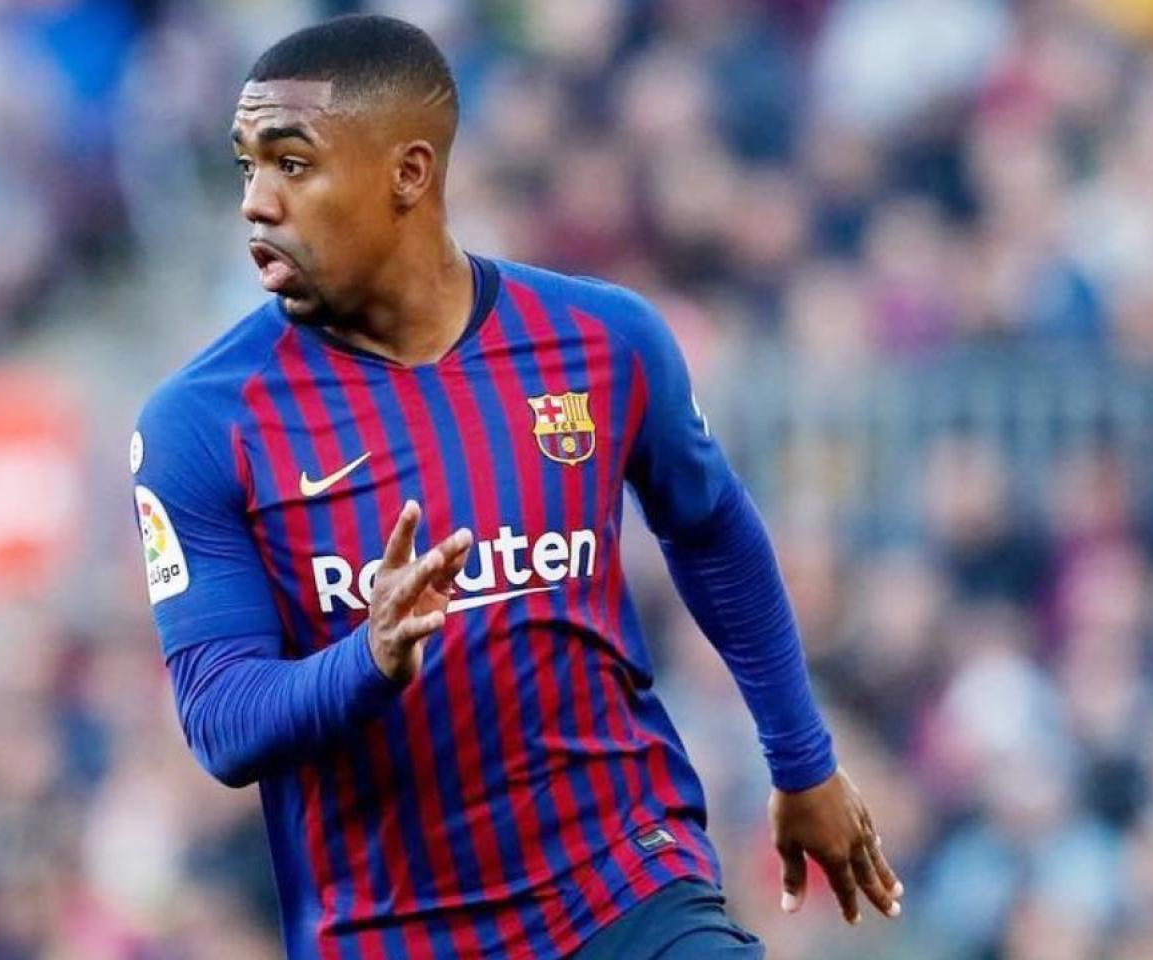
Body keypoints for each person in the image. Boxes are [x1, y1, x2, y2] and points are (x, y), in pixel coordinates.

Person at [130, 14, 902, 960]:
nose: (256, 202)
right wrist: (367, 658)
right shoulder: (202, 424)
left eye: (292, 164)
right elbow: (221, 722)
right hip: (391, 934)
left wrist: (802, 759)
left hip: (623, 885)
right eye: (247, 166)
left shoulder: (603, 342)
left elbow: (713, 532)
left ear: (409, 174)